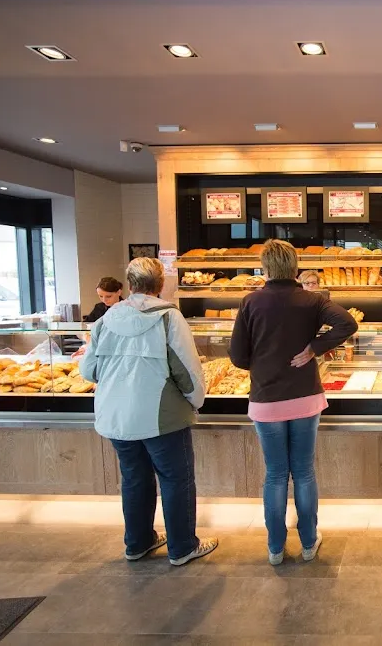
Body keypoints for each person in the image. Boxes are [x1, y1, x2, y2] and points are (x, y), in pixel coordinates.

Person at [80, 258, 217, 566]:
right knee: (175, 478)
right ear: (161, 284)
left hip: (115, 414)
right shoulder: (169, 317)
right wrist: (195, 401)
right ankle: (182, 547)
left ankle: (138, 543)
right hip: (161, 415)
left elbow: (88, 370)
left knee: (134, 478)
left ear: (129, 285)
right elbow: (186, 370)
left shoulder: (106, 319)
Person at [229, 240, 358, 565]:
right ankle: (309, 543)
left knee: (275, 474)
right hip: (304, 398)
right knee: (303, 471)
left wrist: (264, 361)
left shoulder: (250, 301)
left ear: (265, 268)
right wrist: (314, 347)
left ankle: (275, 548)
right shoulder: (312, 299)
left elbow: (238, 357)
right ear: (295, 267)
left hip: (266, 399)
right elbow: (348, 323)